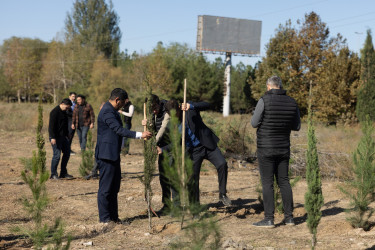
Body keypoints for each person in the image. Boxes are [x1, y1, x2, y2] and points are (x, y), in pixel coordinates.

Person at [251, 75, 301, 228]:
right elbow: (297, 126)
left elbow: (254, 123)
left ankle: (269, 219)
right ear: (280, 86)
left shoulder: (264, 100)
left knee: (267, 183)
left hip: (266, 148)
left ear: (268, 86)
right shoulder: (292, 102)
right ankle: (290, 218)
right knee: (284, 181)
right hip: (283, 147)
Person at [96, 88, 151, 223]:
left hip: (112, 154)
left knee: (114, 188)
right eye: (123, 103)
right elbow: (119, 130)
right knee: (105, 189)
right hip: (106, 155)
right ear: (117, 100)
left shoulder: (112, 110)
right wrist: (140, 134)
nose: (124, 106)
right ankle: (104, 219)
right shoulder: (107, 111)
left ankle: (114, 217)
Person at [180, 101, 232, 207]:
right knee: (193, 178)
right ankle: (195, 206)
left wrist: (191, 106)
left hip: (207, 145)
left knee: (222, 164)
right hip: (193, 152)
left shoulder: (190, 110)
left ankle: (222, 194)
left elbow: (207, 105)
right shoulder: (173, 122)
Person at [142, 95, 177, 215]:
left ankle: (177, 207)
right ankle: (167, 205)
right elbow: (153, 130)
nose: (154, 110)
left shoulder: (167, 111)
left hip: (171, 148)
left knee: (172, 178)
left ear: (159, 104)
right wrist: (146, 125)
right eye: (151, 108)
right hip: (161, 149)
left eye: (155, 107)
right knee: (164, 179)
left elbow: (162, 129)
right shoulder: (153, 113)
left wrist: (153, 144)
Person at [48, 98, 73, 179]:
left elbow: (65, 125)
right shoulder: (54, 112)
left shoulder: (64, 112)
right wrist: (52, 137)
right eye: (66, 107)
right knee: (57, 155)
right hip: (55, 137)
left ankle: (63, 173)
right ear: (62, 104)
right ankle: (53, 174)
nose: (67, 109)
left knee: (67, 153)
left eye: (68, 108)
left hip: (63, 137)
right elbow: (51, 127)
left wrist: (67, 134)